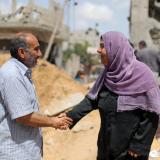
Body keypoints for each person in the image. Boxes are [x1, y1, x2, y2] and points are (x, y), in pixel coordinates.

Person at [60, 31, 160, 160]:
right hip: (106, 146)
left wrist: (139, 145)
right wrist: (69, 117)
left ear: (116, 49)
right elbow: (91, 101)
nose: (98, 50)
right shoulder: (107, 74)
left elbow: (152, 114)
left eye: (102, 46)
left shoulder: (143, 75)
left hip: (131, 151)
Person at [0, 32, 72, 160]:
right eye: (36, 49)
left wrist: (52, 118)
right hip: (16, 154)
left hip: (25, 152)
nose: (40, 54)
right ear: (22, 52)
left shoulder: (21, 73)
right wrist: (54, 122)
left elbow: (27, 111)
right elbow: (23, 116)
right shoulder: (12, 74)